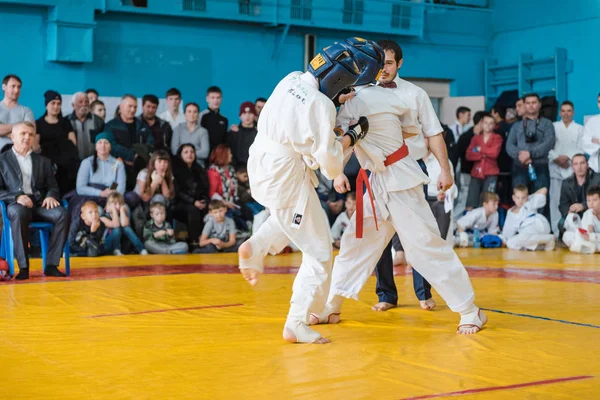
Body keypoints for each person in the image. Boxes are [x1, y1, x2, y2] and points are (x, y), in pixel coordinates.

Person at [310, 39, 486, 335]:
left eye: (387, 63)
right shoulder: (352, 96)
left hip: (401, 178)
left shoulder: (404, 96)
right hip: (375, 181)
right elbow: (342, 138)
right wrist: (337, 171)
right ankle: (333, 304)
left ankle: (470, 309)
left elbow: (423, 131)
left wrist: (444, 169)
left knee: (424, 246)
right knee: (356, 244)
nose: (381, 69)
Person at [237, 41, 366, 344]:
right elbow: (331, 168)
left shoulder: (291, 78)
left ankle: (256, 246)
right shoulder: (320, 106)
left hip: (261, 162)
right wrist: (352, 136)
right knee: (320, 252)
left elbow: (302, 123)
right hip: (284, 176)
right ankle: (296, 322)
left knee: (293, 219)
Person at [0, 122, 68, 279]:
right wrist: (17, 197)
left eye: (30, 134)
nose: (27, 137)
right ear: (12, 137)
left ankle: (51, 265)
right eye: (23, 134)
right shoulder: (2, 160)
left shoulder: (43, 161)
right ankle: (23, 268)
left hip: (39, 204)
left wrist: (51, 195)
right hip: (16, 205)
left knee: (62, 214)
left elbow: (53, 186)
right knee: (18, 212)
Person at [172, 143, 210, 248]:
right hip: (180, 203)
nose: (190, 154)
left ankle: (205, 239)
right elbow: (178, 192)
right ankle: (194, 241)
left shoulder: (199, 169)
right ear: (180, 154)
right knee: (193, 209)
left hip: (197, 201)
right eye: (186, 152)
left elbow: (205, 188)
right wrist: (194, 202)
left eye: (192, 152)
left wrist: (204, 200)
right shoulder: (175, 170)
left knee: (209, 208)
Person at [465, 112, 503, 210]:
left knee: (488, 201)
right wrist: (483, 156)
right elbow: (469, 155)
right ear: (481, 124)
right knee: (471, 201)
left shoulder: (497, 138)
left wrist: (480, 150)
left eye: (491, 123)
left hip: (491, 172)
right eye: (486, 122)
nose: (488, 125)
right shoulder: (475, 138)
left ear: (494, 125)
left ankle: (487, 223)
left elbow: (494, 153)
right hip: (476, 172)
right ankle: (471, 223)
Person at [501, 185, 555, 251]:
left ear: (526, 197)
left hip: (538, 225)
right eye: (518, 198)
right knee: (510, 243)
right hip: (526, 234)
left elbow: (544, 189)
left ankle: (547, 239)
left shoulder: (530, 203)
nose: (520, 200)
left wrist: (529, 197)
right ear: (513, 198)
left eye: (523, 198)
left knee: (524, 235)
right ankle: (543, 242)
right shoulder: (510, 213)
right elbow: (507, 233)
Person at [562, 186, 600, 253]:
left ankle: (583, 247)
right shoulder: (587, 214)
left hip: (596, 239)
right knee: (567, 235)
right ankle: (587, 247)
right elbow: (586, 233)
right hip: (591, 241)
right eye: (588, 200)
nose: (591, 203)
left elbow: (591, 236)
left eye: (594, 200)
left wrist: (592, 237)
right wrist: (590, 219)